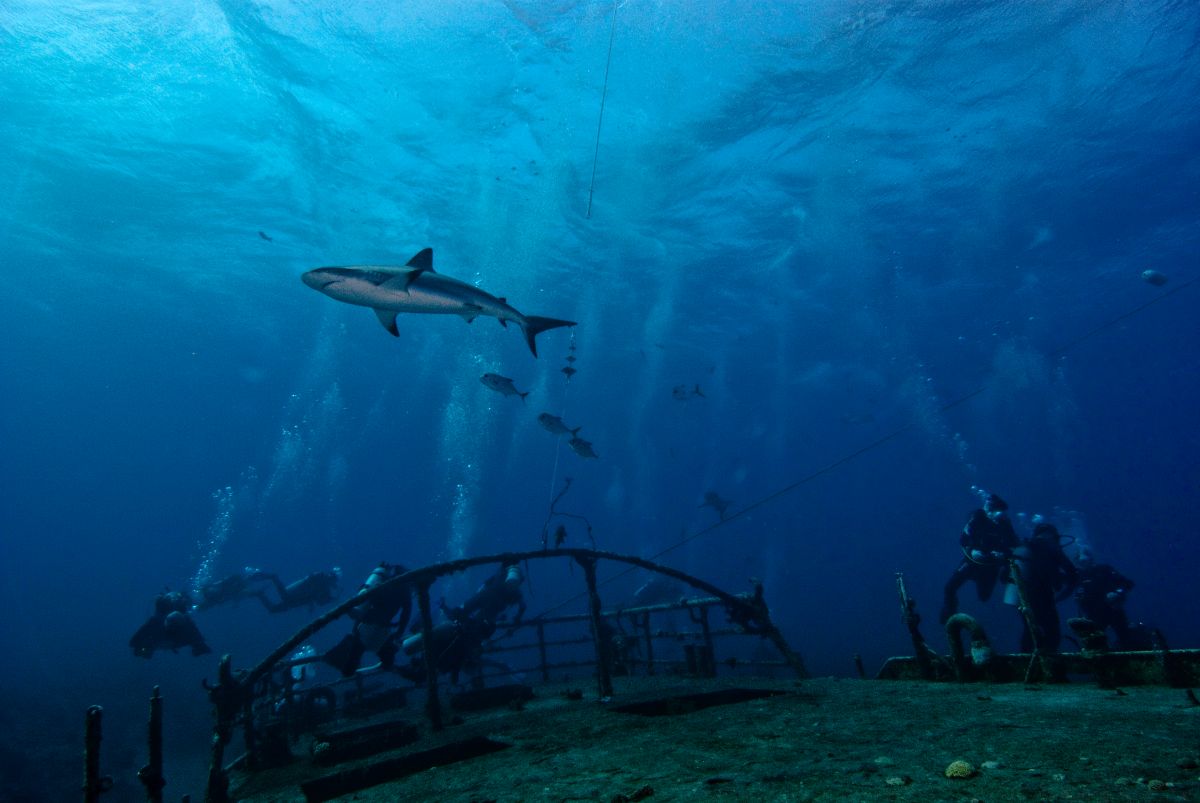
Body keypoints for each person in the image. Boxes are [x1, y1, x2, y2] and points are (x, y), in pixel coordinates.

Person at [941, 493, 1019, 623]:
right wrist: (973, 551)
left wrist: (1003, 555)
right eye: (988, 507)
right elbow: (963, 540)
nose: (991, 512)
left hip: (991, 566)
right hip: (972, 562)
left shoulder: (1005, 525)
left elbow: (1014, 546)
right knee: (949, 587)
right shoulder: (977, 519)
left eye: (993, 509)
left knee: (984, 597)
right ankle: (949, 615)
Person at [323, 562, 412, 677]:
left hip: (366, 624)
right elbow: (406, 613)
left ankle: (347, 672)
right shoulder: (404, 591)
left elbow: (369, 599)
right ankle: (387, 666)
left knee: (355, 656)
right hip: (380, 627)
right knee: (385, 657)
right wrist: (400, 631)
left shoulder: (385, 584)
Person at [1009, 522, 1078, 653]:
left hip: (1023, 597)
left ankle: (1027, 659)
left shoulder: (1025, 547)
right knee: (1051, 632)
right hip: (1043, 596)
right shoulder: (1052, 548)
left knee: (1030, 629)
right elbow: (1072, 575)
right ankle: (1047, 660)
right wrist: (1061, 593)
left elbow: (1006, 574)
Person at [1074, 552, 1153, 650]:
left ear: (1090, 559)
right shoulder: (1078, 576)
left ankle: (1132, 650)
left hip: (1113, 610)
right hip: (1093, 614)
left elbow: (1127, 584)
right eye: (1080, 562)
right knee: (1094, 643)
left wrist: (1117, 592)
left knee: (1125, 638)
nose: (1083, 564)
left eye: (1084, 561)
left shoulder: (1104, 570)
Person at [441, 561, 526, 631]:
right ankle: (464, 633)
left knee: (460, 613)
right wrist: (518, 617)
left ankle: (444, 609)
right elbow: (522, 606)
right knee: (477, 626)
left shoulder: (498, 576)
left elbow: (484, 585)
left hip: (483, 595)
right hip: (495, 605)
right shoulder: (515, 590)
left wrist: (477, 595)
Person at [130, 590, 212, 658]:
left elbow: (200, 644)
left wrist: (199, 646)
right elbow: (134, 642)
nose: (172, 631)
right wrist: (144, 648)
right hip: (164, 638)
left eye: (175, 628)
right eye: (171, 627)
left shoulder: (188, 625)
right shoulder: (155, 622)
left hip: (171, 638)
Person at [256, 568, 342, 613]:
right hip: (293, 597)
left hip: (295, 601)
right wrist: (335, 598)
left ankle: (260, 594)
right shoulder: (323, 583)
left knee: (273, 609)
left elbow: (318, 599)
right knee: (279, 602)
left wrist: (333, 598)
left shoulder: (324, 585)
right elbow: (320, 601)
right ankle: (273, 578)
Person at [193, 567, 276, 611]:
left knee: (249, 580)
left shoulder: (218, 589)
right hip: (237, 588)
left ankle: (263, 577)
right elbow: (232, 596)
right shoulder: (216, 599)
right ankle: (263, 582)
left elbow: (230, 582)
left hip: (236, 584)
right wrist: (236, 602)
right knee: (249, 586)